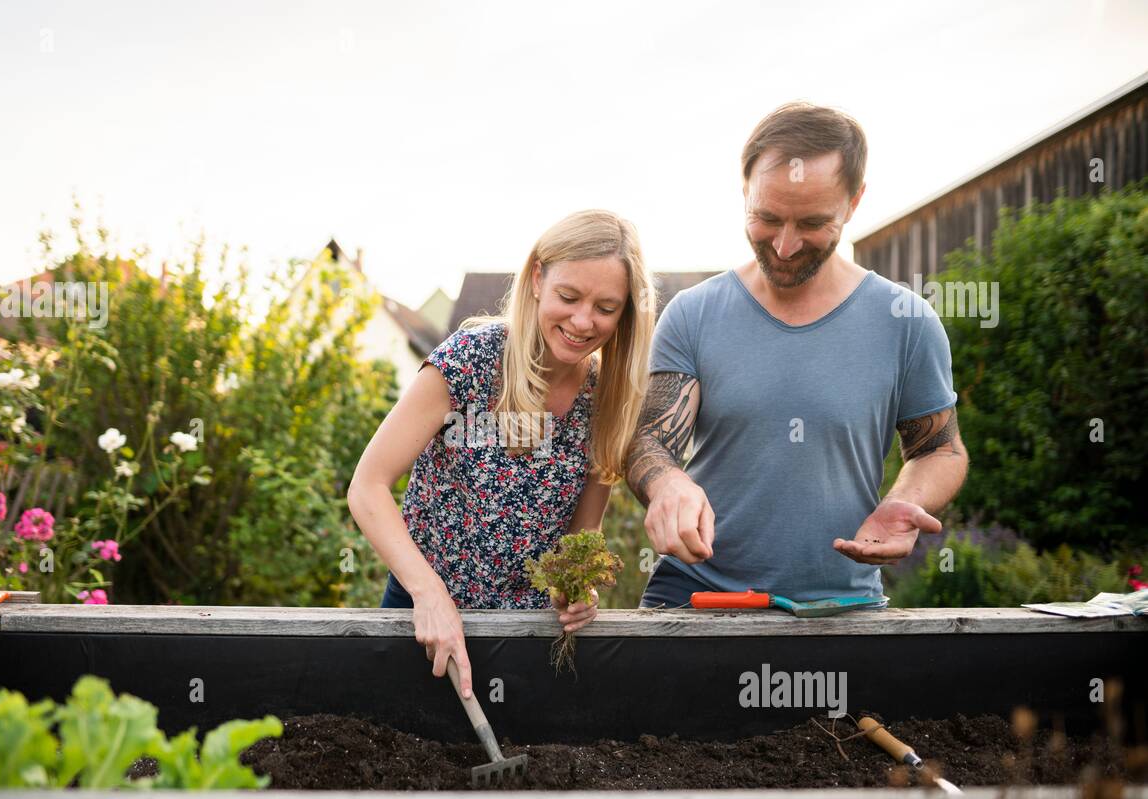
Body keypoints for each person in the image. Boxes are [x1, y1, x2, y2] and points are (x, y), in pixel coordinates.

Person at [626, 102, 969, 608]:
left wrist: (903, 502)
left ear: (853, 203)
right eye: (766, 218)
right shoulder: (692, 315)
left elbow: (940, 450)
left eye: (811, 222)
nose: (785, 246)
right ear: (745, 191)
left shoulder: (906, 320)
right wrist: (666, 481)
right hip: (696, 601)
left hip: (840, 608)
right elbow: (649, 441)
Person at [349, 209, 657, 697]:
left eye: (605, 307)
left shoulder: (605, 399)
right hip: (423, 617)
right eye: (569, 296)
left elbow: (581, 532)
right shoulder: (469, 361)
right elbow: (367, 487)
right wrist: (429, 596)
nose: (582, 321)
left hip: (527, 634)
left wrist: (574, 588)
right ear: (538, 277)